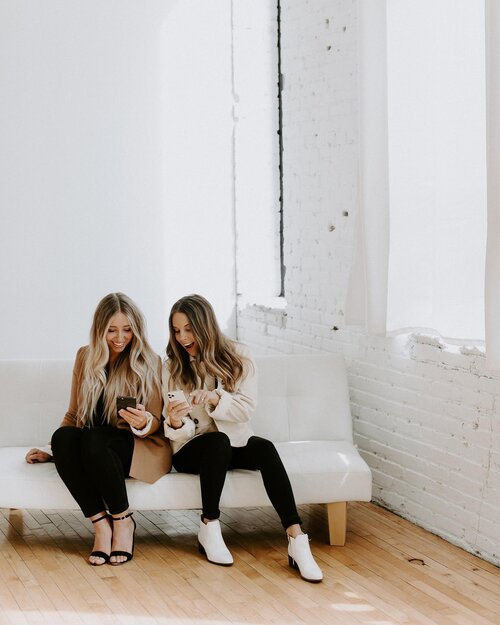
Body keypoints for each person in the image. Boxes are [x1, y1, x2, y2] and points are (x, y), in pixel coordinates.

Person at [162, 294, 323, 582]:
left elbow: (245, 409)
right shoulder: (172, 365)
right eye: (176, 330)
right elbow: (180, 430)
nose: (183, 337)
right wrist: (175, 420)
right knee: (216, 443)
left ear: (206, 325)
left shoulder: (239, 355)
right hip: (190, 449)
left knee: (264, 448)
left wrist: (214, 397)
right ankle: (209, 526)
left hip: (231, 441)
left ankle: (297, 539)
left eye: (188, 329)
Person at [25, 292, 171, 566]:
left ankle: (123, 520)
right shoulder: (85, 357)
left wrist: (144, 422)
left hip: (134, 445)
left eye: (127, 330)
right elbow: (73, 413)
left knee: (95, 439)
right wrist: (53, 449)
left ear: (136, 329)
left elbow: (157, 421)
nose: (120, 338)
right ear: (99, 330)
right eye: (111, 330)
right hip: (95, 445)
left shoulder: (149, 361)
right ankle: (101, 524)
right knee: (64, 437)